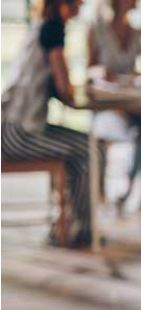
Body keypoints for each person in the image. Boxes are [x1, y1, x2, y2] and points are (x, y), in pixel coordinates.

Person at [1, 0, 97, 247]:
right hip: (16, 134)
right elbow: (65, 89)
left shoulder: (41, 26)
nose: (83, 3)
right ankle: (78, 230)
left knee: (86, 145)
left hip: (13, 128)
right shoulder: (53, 30)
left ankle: (72, 225)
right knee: (88, 149)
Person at [88, 0, 141, 211]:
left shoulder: (137, 32)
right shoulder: (96, 30)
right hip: (107, 110)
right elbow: (89, 70)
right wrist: (101, 72)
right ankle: (128, 190)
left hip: (133, 108)